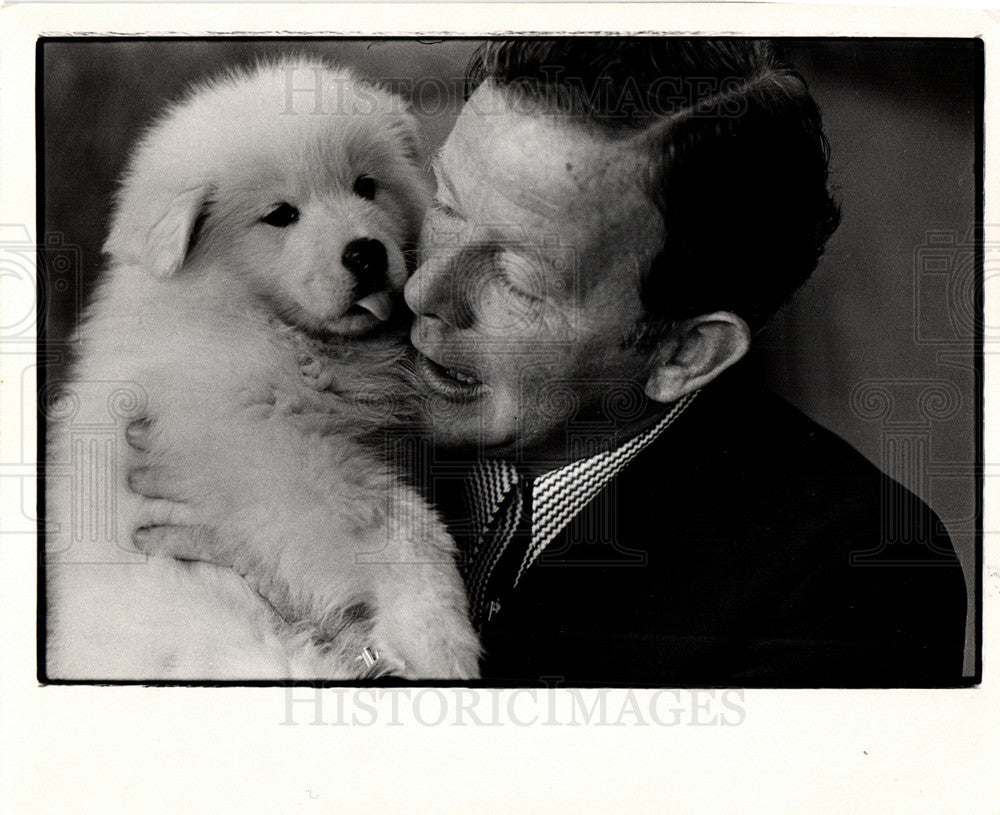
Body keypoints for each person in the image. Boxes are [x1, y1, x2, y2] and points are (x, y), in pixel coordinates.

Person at [128, 38, 968, 685]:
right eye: (447, 206)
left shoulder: (851, 574)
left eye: (521, 279)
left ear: (683, 351)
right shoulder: (289, 392)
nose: (423, 289)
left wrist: (341, 637)